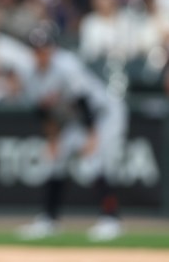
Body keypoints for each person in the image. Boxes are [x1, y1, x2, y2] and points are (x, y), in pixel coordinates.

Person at [16, 26, 128, 242]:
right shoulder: (30, 73)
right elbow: (44, 112)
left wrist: (92, 137)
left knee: (96, 161)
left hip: (104, 115)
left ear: (52, 48)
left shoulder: (66, 65)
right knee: (54, 161)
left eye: (44, 48)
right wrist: (53, 140)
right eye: (36, 49)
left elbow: (83, 100)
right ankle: (49, 220)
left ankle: (110, 220)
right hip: (75, 120)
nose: (41, 53)